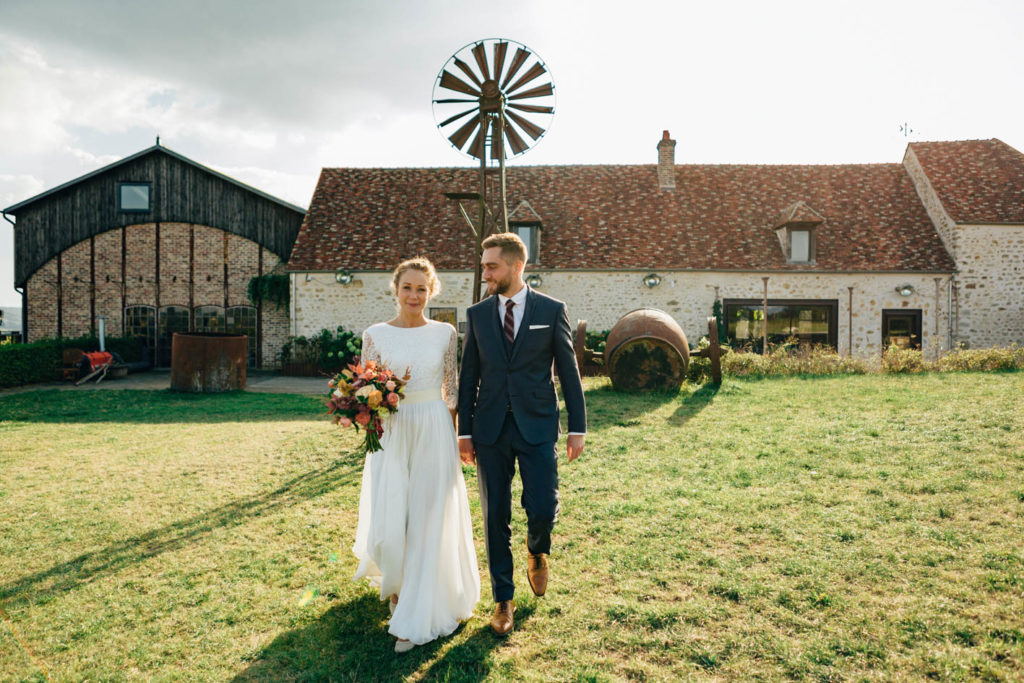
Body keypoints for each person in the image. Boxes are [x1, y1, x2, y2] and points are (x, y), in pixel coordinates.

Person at [457, 232, 586, 636]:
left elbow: (569, 371)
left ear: (516, 266)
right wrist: (464, 432)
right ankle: (503, 599)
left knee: (543, 507)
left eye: (491, 266)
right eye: (483, 266)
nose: (485, 273)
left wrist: (577, 428)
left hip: (538, 424)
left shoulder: (552, 309)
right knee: (495, 514)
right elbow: (468, 376)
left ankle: (537, 550)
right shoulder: (478, 314)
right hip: (490, 427)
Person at [351, 257, 480, 653]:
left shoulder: (445, 333)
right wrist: (363, 413)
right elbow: (365, 386)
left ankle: (418, 609)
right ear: (396, 289)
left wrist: (453, 435)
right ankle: (398, 586)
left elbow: (452, 390)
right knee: (393, 514)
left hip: (434, 428)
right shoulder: (374, 334)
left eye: (421, 288)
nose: (414, 295)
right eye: (407, 287)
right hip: (392, 430)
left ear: (432, 291)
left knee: (428, 516)